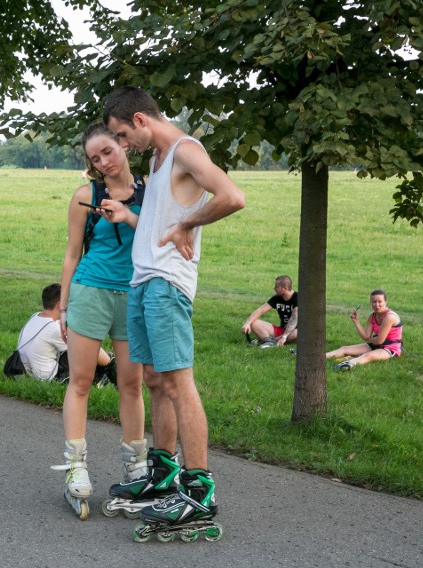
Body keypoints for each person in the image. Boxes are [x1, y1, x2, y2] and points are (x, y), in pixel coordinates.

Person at [101, 86, 245, 531]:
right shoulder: (156, 160)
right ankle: (164, 477)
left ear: (142, 120)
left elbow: (232, 196)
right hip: (143, 280)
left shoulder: (184, 151)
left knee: (179, 383)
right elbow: (160, 218)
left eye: (123, 135)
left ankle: (200, 492)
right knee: (156, 381)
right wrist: (130, 216)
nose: (123, 146)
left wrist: (188, 222)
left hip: (167, 284)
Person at [51, 123, 147, 520]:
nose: (104, 162)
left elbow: (160, 235)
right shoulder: (84, 197)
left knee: (131, 383)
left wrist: (127, 216)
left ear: (123, 145)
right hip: (90, 292)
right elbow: (73, 254)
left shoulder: (150, 190)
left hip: (134, 295)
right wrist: (63, 307)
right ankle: (76, 466)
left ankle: (137, 469)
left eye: (108, 151)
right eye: (95, 158)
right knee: (81, 381)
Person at [326, 289, 403, 371]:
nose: (377, 305)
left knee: (368, 356)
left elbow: (379, 340)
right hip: (376, 344)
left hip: (390, 348)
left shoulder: (389, 317)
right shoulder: (372, 316)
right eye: (374, 302)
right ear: (371, 303)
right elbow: (366, 336)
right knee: (344, 348)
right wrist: (356, 322)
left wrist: (369, 339)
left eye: (380, 302)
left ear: (385, 302)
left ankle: (347, 364)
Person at [241, 275, 298, 348]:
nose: (274, 288)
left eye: (277, 287)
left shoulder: (297, 298)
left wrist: (284, 337)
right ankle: (269, 341)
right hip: (281, 329)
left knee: (298, 333)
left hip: (294, 331)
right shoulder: (277, 298)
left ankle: (270, 341)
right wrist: (247, 323)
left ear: (285, 288)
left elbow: (294, 318)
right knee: (253, 322)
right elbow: (260, 310)